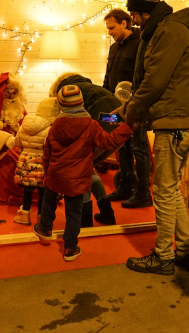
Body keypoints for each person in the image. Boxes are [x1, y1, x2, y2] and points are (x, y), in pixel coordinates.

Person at [119, 0, 189, 276]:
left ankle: (164, 256)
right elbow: (152, 84)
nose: (135, 22)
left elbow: (154, 81)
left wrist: (131, 113)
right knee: (171, 189)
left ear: (142, 11)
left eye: (135, 16)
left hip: (175, 123)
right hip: (179, 121)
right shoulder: (167, 30)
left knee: (163, 191)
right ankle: (185, 250)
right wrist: (123, 110)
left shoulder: (167, 32)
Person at [33, 85, 135, 261]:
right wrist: (127, 127)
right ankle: (70, 247)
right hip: (78, 178)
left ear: (61, 105)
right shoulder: (91, 124)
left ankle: (45, 227)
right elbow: (109, 142)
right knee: (74, 212)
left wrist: (46, 172)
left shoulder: (56, 124)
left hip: (56, 174)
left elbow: (47, 150)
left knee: (49, 201)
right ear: (82, 101)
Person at [49, 72, 124, 226]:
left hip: (101, 127)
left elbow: (70, 123)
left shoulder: (67, 91)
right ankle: (107, 214)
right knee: (88, 168)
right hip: (118, 123)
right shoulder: (92, 88)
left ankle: (85, 220)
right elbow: (104, 117)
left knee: (81, 171)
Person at [102, 9, 152, 208]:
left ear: (125, 23)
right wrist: (105, 103)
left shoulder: (141, 45)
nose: (109, 32)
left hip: (135, 108)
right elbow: (108, 77)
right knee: (120, 146)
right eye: (107, 28)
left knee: (138, 148)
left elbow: (144, 78)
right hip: (115, 109)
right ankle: (125, 188)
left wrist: (135, 104)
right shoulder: (114, 48)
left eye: (112, 27)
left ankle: (143, 193)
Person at [11, 97, 59, 226]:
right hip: (40, 161)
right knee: (42, 190)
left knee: (28, 190)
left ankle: (25, 216)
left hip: (25, 159)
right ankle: (40, 217)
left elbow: (17, 142)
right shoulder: (50, 128)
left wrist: (24, 152)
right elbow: (49, 147)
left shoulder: (25, 124)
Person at [0, 72, 27, 204]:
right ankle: (22, 194)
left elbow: (26, 124)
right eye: (7, 91)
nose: (11, 95)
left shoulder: (19, 106)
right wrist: (6, 138)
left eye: (14, 92)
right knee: (13, 159)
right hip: (0, 145)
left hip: (18, 141)